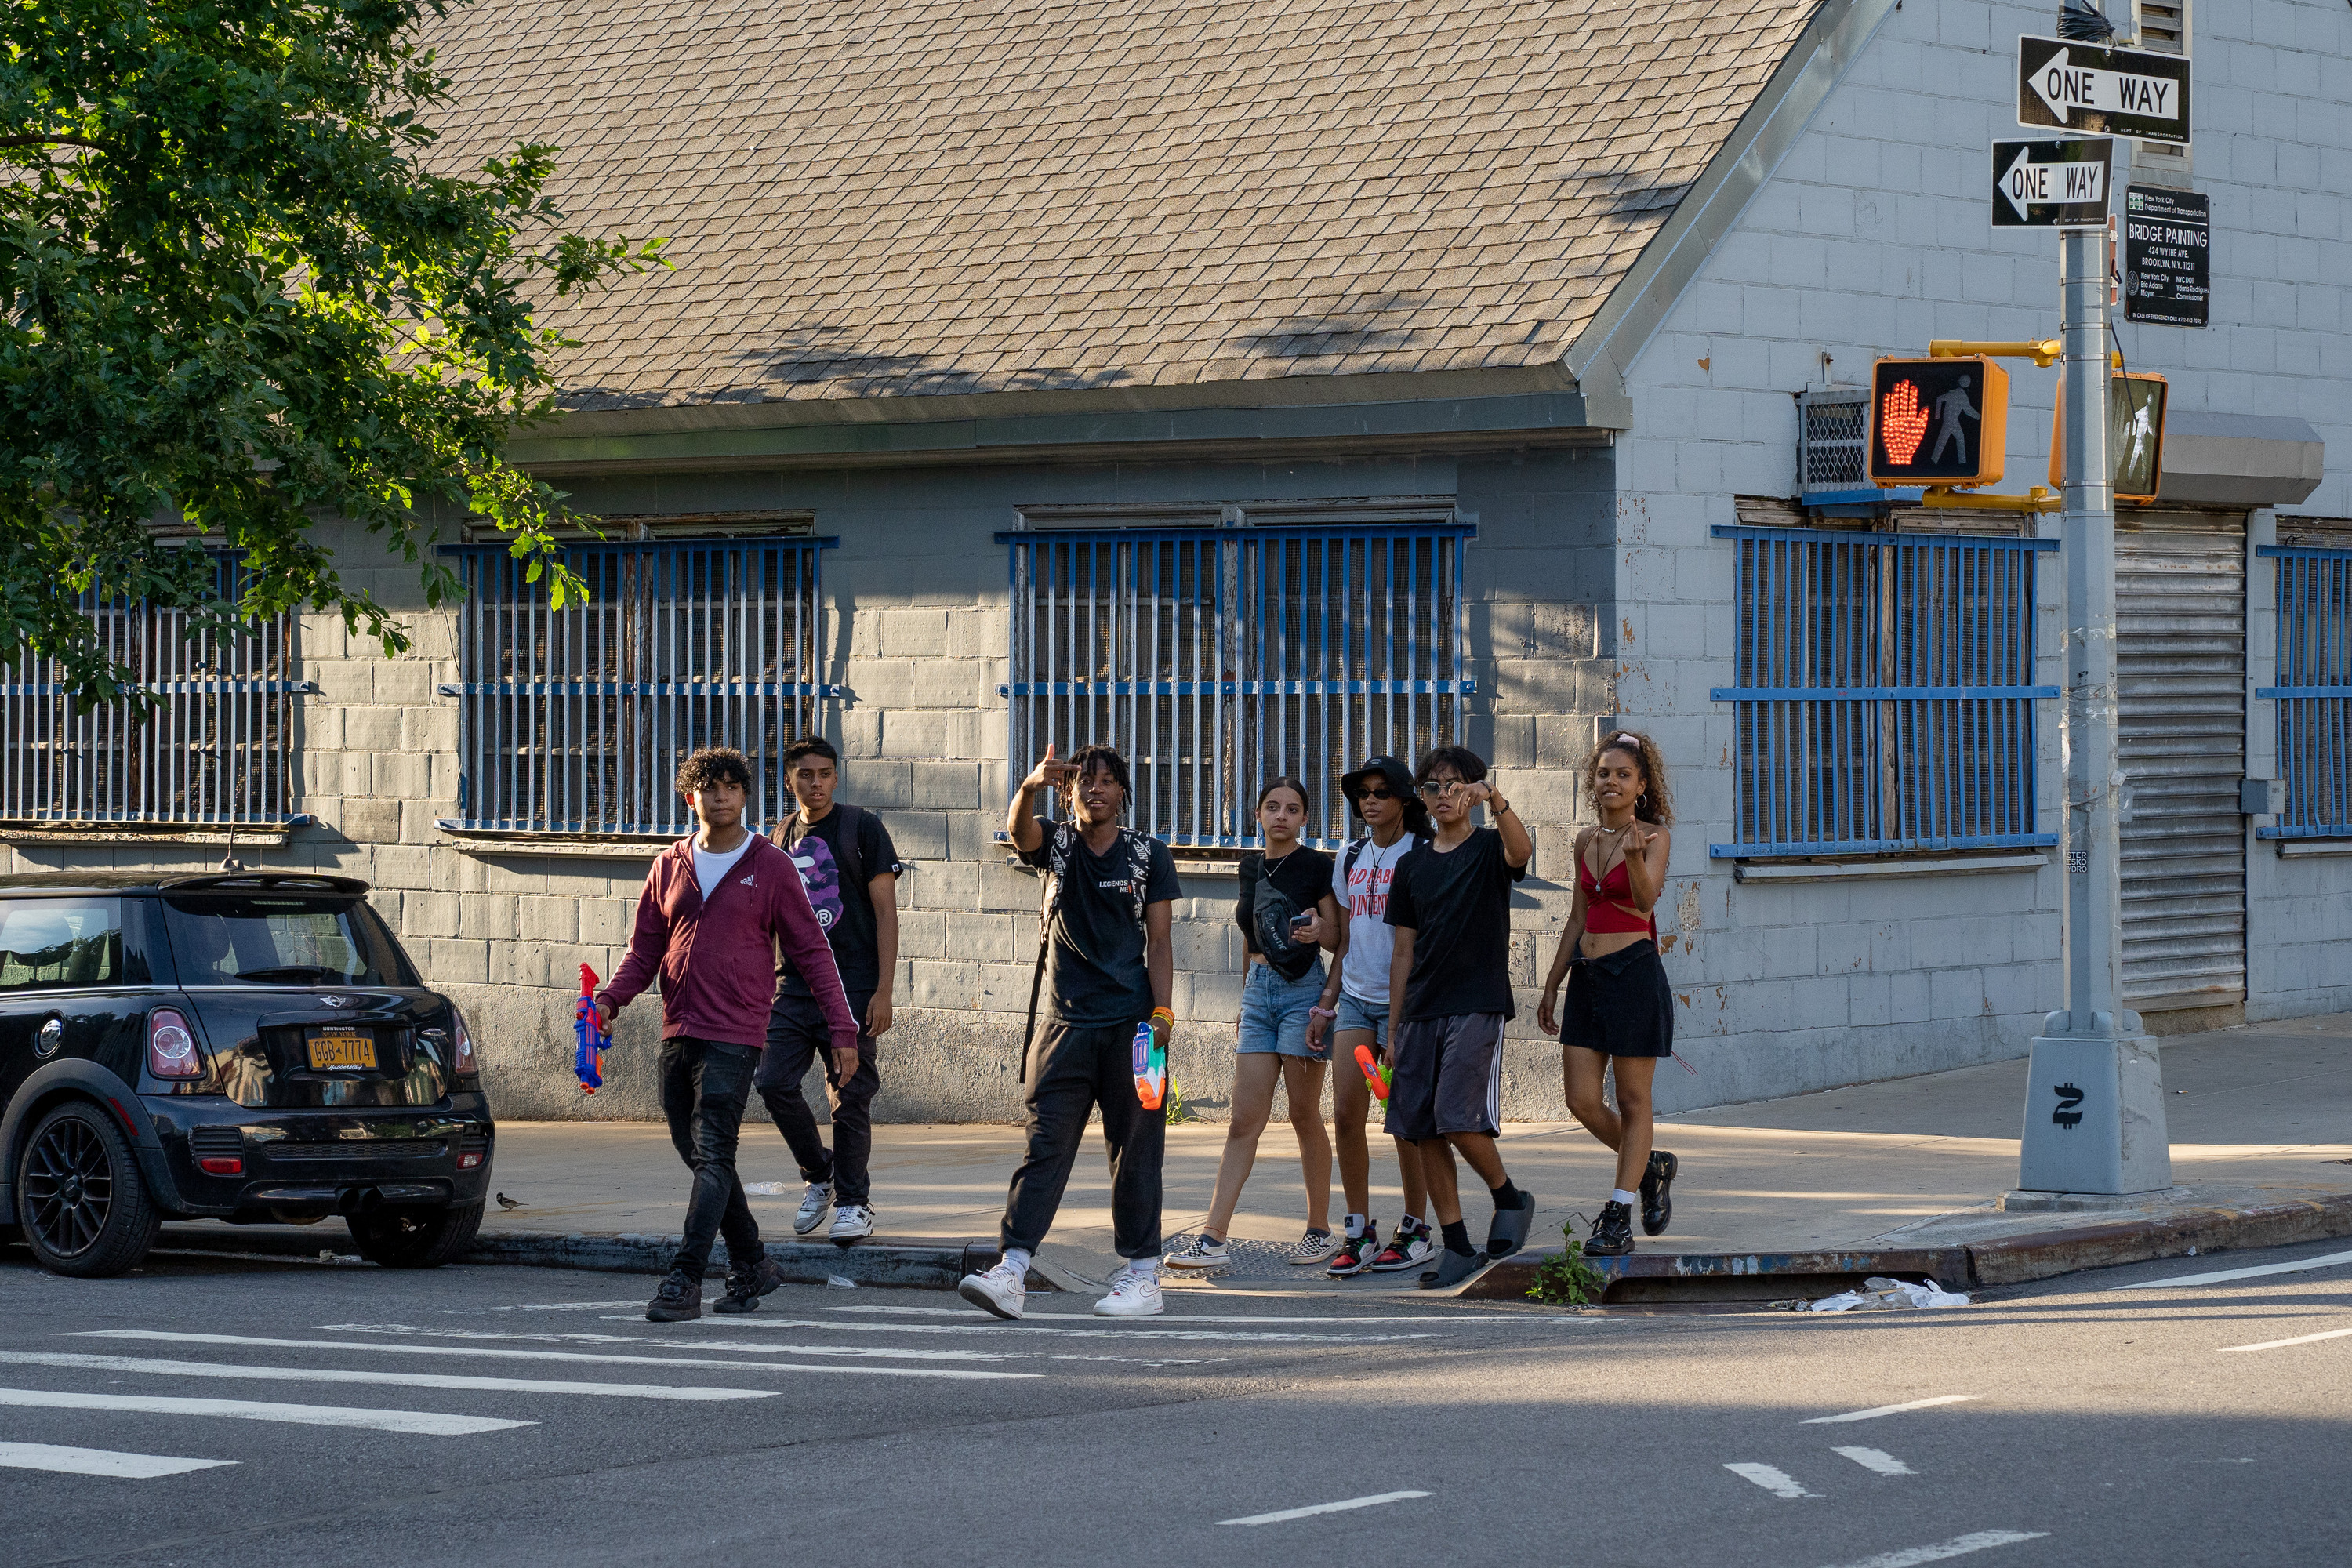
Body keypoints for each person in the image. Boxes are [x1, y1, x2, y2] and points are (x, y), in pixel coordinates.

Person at [597, 746, 860, 1322]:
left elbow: (813, 953)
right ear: (689, 797)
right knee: (697, 1153)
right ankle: (753, 1263)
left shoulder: (771, 866)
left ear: (744, 796)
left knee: (715, 1150)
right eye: (709, 788)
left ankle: (685, 1277)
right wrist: (611, 998)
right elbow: (644, 950)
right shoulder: (669, 865)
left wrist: (843, 1028)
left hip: (736, 1031)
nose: (721, 797)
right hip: (678, 1026)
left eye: (731, 788)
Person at [958, 742, 1181, 1320]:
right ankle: (1012, 1270)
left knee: (1137, 1152)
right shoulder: (1056, 844)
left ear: (1122, 792)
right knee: (1044, 1147)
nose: (1094, 789)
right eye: (1084, 781)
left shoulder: (1147, 855)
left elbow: (1160, 942)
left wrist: (1163, 1015)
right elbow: (1019, 831)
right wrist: (1028, 787)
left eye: (1106, 781)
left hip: (1135, 1030)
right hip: (1063, 1025)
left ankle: (1143, 1277)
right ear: (1067, 793)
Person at [1163, 778, 1343, 1272]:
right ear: (1258, 814)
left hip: (1304, 994)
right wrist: (1247, 996)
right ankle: (1213, 1238)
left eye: (1292, 808)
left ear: (1305, 818)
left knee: (1304, 1115)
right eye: (1272, 807)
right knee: (1244, 1120)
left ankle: (1320, 1230)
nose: (1281, 815)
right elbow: (1252, 935)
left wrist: (1318, 936)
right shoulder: (1250, 867)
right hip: (1259, 995)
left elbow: (1339, 938)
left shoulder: (1316, 865)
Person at [1383, 744, 1537, 1289]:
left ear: (1471, 790)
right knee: (1421, 1128)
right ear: (1421, 798)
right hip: (1420, 1009)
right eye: (1432, 787)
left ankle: (1509, 1197)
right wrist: (1393, 1029)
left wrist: (1495, 798)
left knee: (1455, 1116)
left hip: (1477, 1001)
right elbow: (1404, 951)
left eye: (1453, 785)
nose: (1443, 795)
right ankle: (1457, 1246)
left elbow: (1522, 852)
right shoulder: (1411, 865)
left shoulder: (1490, 846)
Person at [1537, 731, 1679, 1258]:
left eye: (1623, 774)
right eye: (1603, 773)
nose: (1611, 782)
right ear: (1592, 782)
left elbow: (1643, 903)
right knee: (1580, 1100)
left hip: (1634, 973)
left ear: (1641, 785)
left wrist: (1636, 859)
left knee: (1633, 1100)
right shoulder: (1585, 841)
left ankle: (1618, 1215)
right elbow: (1577, 917)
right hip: (1588, 976)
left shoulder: (1655, 837)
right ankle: (1649, 1165)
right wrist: (1552, 982)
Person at [757, 735, 904, 1244]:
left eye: (824, 773)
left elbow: (886, 913)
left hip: (854, 987)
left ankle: (855, 1203)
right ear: (789, 780)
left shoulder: (862, 828)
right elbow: (766, 920)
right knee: (772, 1082)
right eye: (805, 774)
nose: (815, 783)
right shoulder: (779, 837)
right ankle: (820, 1174)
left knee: (850, 1096)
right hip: (792, 988)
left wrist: (883, 991)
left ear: (836, 777)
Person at [1323, 755, 1437, 1277]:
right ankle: (1358, 1229)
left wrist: (1402, 1017)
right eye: (1363, 793)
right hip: (1354, 999)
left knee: (1404, 1120)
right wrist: (1328, 1001)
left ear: (1405, 800)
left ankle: (1416, 1228)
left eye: (1381, 792)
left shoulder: (1421, 853)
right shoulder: (1349, 856)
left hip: (1404, 1003)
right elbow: (1346, 938)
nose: (1369, 801)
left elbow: (1420, 942)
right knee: (1347, 1115)